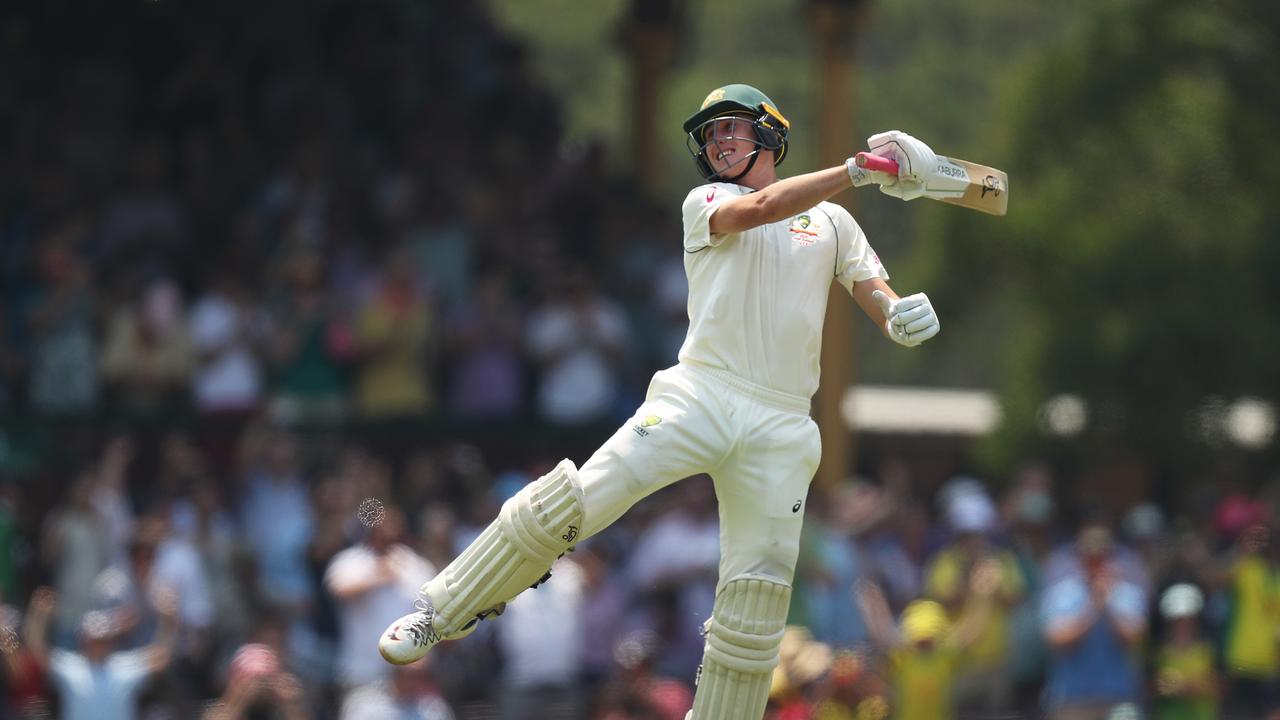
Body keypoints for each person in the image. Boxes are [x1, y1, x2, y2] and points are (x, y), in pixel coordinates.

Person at [379, 83, 948, 720]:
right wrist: (858, 169)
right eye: (709, 136)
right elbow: (759, 209)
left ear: (769, 132)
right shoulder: (706, 201)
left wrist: (898, 314)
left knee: (756, 601)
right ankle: (443, 610)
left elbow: (873, 287)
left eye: (730, 128)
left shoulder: (835, 223)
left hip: (785, 422)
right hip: (702, 392)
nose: (718, 143)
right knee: (580, 495)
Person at [1040, 524, 1147, 720]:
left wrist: (1108, 607)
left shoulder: (1129, 594)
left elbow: (1133, 639)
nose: (1097, 563)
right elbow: (1058, 640)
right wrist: (1094, 607)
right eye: (1090, 557)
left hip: (1119, 696)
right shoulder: (1062, 594)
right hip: (1073, 698)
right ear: (1080, 559)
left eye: (1102, 557)